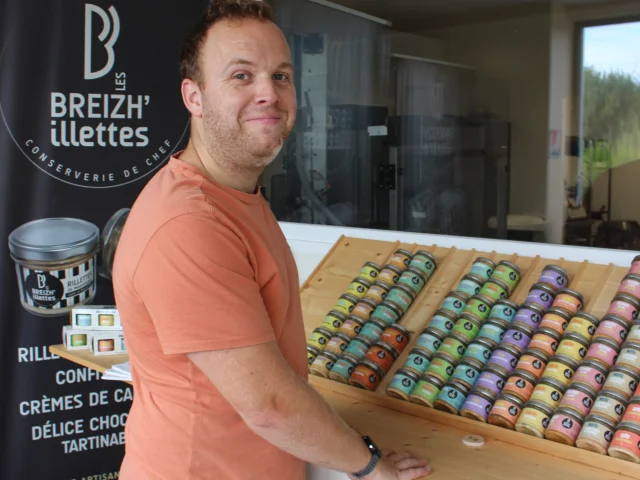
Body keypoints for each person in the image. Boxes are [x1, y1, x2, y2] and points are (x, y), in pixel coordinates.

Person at [112, 1, 431, 479]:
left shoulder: (237, 196)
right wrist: (369, 464)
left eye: (281, 76)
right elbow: (269, 406)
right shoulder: (187, 223)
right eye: (241, 76)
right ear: (194, 97)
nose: (269, 93)